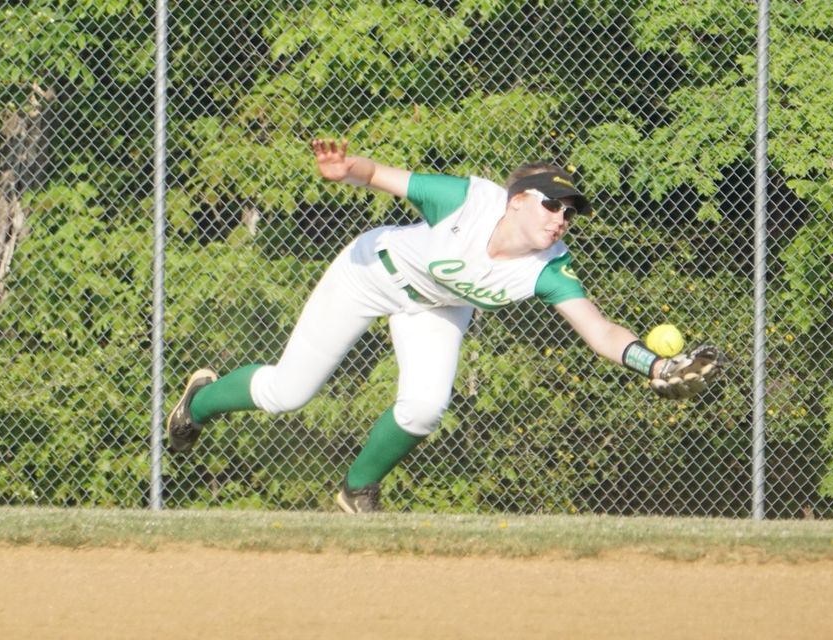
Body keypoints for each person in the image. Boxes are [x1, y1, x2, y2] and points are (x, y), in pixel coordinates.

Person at [166, 138, 719, 513]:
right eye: (555, 206)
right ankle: (199, 402)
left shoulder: (547, 268)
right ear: (520, 200)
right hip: (370, 274)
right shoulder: (467, 200)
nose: (562, 219)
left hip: (437, 306)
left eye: (570, 212)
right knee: (287, 393)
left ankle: (357, 489)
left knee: (425, 408)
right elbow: (379, 175)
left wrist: (656, 363)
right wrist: (346, 170)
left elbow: (598, 330)